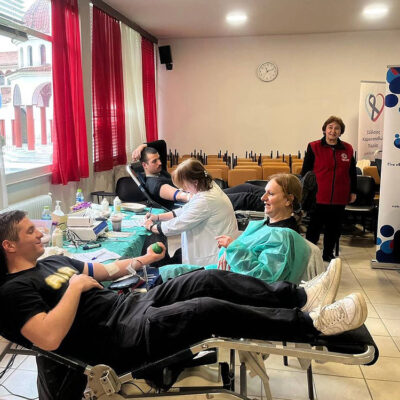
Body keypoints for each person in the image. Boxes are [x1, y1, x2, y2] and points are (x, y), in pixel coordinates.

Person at [0, 210, 367, 400]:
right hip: (117, 338)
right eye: (30, 230)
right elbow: (47, 337)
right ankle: (313, 325)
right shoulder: (14, 289)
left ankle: (300, 297)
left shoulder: (51, 261)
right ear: (9, 245)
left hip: (129, 305)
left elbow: (107, 270)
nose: (40, 232)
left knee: (202, 279)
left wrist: (145, 259)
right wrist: (76, 287)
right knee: (205, 310)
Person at [160, 174, 323, 284]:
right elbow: (241, 254)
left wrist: (233, 248)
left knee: (168, 279)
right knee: (168, 272)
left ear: (288, 200)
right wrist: (230, 250)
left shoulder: (284, 238)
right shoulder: (263, 225)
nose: (263, 198)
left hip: (232, 287)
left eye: (271, 194)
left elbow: (264, 279)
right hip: (224, 276)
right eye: (264, 193)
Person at [144, 159, 238, 266]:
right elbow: (186, 210)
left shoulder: (205, 200)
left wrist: (151, 227)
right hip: (214, 244)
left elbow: (178, 224)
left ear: (195, 182)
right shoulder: (209, 186)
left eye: (184, 185)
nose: (183, 189)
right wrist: (158, 217)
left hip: (212, 255)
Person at [133, 141, 266, 211]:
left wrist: (142, 146)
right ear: (144, 165)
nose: (160, 163)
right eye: (154, 161)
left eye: (159, 159)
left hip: (203, 193)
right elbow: (178, 195)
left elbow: (161, 143)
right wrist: (201, 196)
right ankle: (275, 206)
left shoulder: (158, 171)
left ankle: (275, 195)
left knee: (247, 187)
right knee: (246, 198)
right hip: (200, 202)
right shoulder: (154, 184)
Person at [301, 116, 357, 262]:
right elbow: (306, 172)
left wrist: (353, 191)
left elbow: (352, 172)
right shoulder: (314, 146)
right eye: (330, 127)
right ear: (325, 130)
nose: (333, 131)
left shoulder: (348, 149)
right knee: (314, 228)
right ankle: (310, 255)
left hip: (339, 196)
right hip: (318, 196)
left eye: (337, 128)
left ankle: (327, 254)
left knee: (334, 228)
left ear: (341, 131)